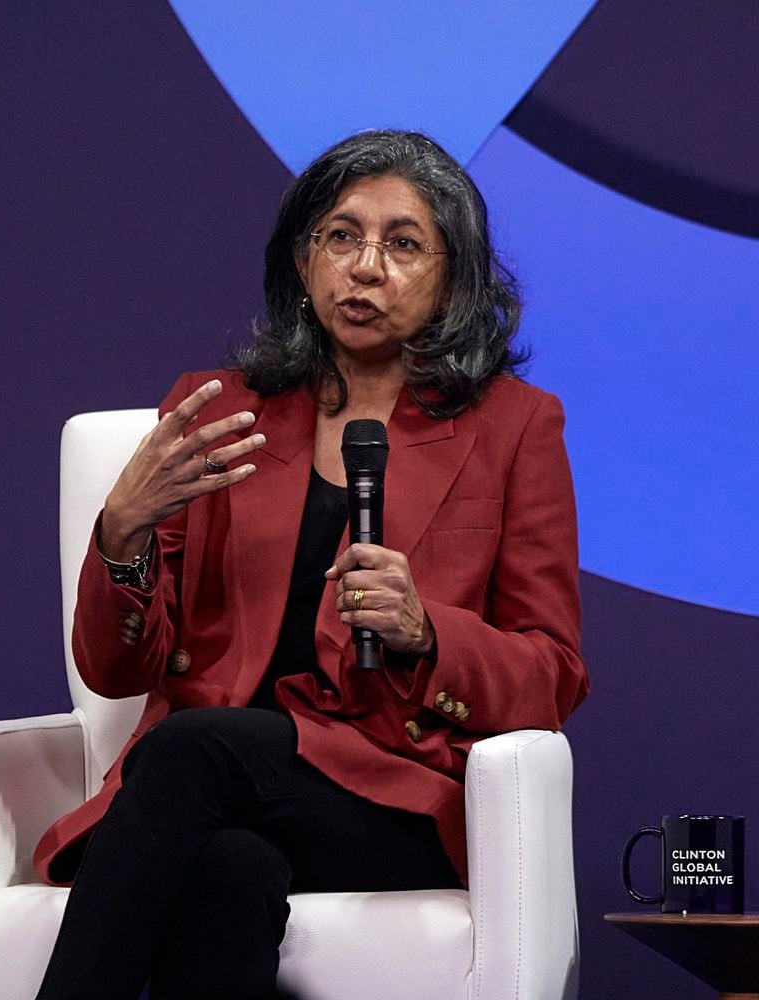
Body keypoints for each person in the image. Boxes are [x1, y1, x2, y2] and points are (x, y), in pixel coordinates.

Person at [33, 129, 589, 999]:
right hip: (210, 789)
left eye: (403, 244)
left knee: (192, 751)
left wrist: (426, 631)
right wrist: (124, 535)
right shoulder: (219, 412)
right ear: (303, 260)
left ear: (455, 278)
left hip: (388, 792)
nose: (365, 266)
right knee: (226, 871)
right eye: (341, 236)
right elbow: (115, 671)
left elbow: (551, 675)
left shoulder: (515, 427)